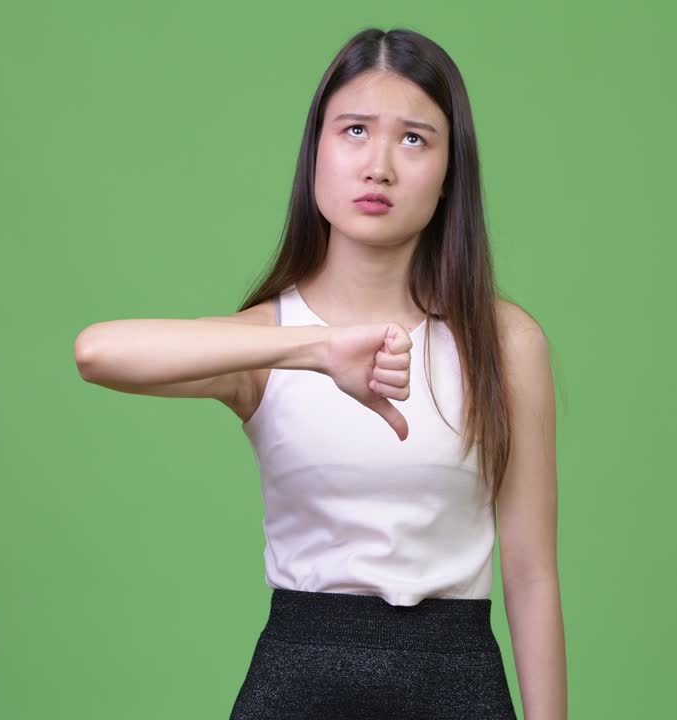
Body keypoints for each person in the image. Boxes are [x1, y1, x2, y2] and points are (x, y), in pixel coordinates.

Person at [74, 26, 566, 720]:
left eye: (415, 139)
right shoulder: (270, 344)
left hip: (458, 684)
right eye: (355, 130)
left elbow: (532, 575)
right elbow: (97, 352)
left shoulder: (505, 342)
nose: (380, 166)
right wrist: (309, 347)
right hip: (298, 685)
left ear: (452, 171)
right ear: (317, 154)